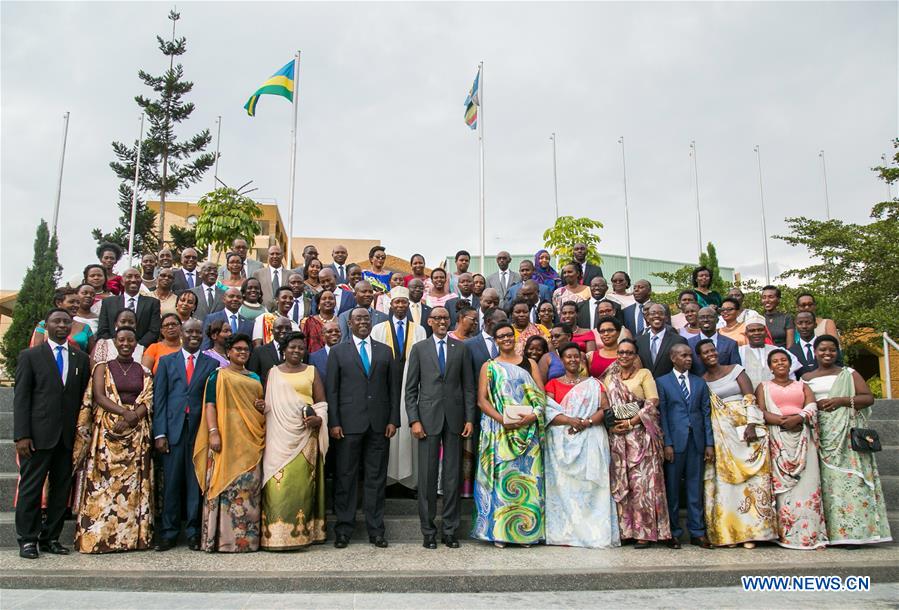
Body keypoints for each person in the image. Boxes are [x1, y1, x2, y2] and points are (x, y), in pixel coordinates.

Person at [14, 308, 91, 559]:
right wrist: (21, 435)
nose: (62, 325)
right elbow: (22, 398)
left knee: (61, 490)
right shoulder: (31, 356)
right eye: (56, 321)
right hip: (36, 436)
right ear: (46, 325)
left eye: (66, 322)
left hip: (67, 438)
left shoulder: (80, 359)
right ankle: (28, 538)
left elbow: (82, 399)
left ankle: (51, 538)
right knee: (31, 488)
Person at [803, 335, 892, 546]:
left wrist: (840, 400)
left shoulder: (848, 373)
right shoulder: (806, 377)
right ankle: (833, 533)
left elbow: (867, 398)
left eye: (832, 350)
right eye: (822, 349)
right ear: (814, 352)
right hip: (822, 434)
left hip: (846, 435)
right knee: (827, 484)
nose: (827, 353)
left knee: (852, 481)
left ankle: (858, 533)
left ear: (837, 352)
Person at [73, 326, 154, 553]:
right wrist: (123, 413)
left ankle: (130, 539)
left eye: (130, 340)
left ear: (136, 344)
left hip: (136, 437)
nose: (126, 344)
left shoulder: (144, 371)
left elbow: (147, 399)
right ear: (115, 343)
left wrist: (132, 417)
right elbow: (98, 396)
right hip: (107, 435)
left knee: (133, 489)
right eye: (121, 340)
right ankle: (99, 539)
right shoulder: (102, 368)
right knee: (102, 485)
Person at [326, 308, 399, 549]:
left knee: (376, 479)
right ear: (350, 323)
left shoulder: (385, 351)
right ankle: (344, 529)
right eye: (358, 319)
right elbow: (332, 390)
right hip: (347, 425)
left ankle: (376, 530)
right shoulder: (338, 351)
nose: (363, 322)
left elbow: (393, 390)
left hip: (379, 425)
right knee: (346, 478)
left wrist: (393, 420)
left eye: (367, 318)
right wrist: (334, 422)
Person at [405, 307, 476, 549]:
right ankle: (428, 531)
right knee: (427, 476)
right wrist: (414, 419)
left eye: (445, 318)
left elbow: (468, 387)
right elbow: (411, 388)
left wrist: (469, 418)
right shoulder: (420, 349)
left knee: (452, 475)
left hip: (455, 419)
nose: (442, 322)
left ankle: (450, 530)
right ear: (430, 322)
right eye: (437, 318)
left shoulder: (461, 349)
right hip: (427, 419)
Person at [472, 321, 545, 548]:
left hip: (528, 431)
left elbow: (541, 396)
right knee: (501, 480)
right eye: (501, 336)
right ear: (495, 340)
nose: (506, 339)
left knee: (529, 480)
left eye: (509, 335)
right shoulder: (490, 366)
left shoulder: (529, 363)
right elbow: (482, 400)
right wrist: (502, 419)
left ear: (515, 337)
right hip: (499, 431)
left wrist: (533, 416)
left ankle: (526, 533)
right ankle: (501, 532)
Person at [697, 340, 776, 548]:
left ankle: (754, 534)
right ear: (700, 358)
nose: (710, 354)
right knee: (726, 484)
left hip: (745, 430)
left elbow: (749, 397)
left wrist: (751, 423)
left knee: (752, 483)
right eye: (705, 352)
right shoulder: (702, 380)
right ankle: (731, 534)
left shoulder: (736, 370)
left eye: (712, 350)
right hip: (721, 434)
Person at [193, 334, 266, 552]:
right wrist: (213, 432)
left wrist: (261, 406)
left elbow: (257, 407)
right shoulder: (218, 376)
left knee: (247, 489)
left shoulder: (254, 377)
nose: (242, 353)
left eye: (246, 350)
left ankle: (246, 542)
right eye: (238, 349)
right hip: (225, 436)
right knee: (223, 486)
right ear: (228, 352)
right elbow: (210, 405)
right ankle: (221, 540)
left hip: (250, 439)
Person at [153, 319, 219, 552]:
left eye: (198, 332)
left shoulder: (211, 364)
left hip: (199, 430)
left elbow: (213, 400)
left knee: (195, 484)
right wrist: (159, 432)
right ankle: (169, 533)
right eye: (189, 331)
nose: (194, 335)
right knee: (171, 483)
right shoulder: (166, 362)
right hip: (173, 430)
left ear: (203, 336)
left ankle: (193, 532)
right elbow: (159, 400)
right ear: (181, 333)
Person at [543, 343, 619, 548]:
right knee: (565, 489)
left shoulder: (595, 384)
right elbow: (548, 413)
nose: (573, 360)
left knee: (589, 487)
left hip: (590, 439)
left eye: (577, 357)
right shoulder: (552, 384)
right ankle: (564, 534)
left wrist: (586, 422)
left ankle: (593, 532)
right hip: (561, 444)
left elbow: (605, 408)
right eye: (568, 357)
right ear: (562, 359)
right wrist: (570, 421)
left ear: (582, 359)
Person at [261, 331, 329, 550]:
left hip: (305, 437)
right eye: (292, 347)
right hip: (278, 435)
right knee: (276, 483)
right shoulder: (273, 373)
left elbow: (321, 403)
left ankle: (304, 535)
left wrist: (318, 419)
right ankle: (275, 536)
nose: (297, 351)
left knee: (302, 486)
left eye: (301, 347)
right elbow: (267, 402)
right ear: (284, 350)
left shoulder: (312, 371)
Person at [756, 349, 828, 550]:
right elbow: (759, 410)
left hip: (803, 438)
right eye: (775, 361)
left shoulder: (802, 385)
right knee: (783, 492)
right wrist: (781, 421)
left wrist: (799, 418)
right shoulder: (763, 387)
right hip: (778, 439)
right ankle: (786, 535)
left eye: (784, 360)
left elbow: (812, 405)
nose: (780, 364)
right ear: (770, 367)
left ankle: (811, 535)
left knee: (808, 484)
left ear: (790, 364)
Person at [602, 339, 670, 548]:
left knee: (644, 486)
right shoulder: (609, 378)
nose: (624, 356)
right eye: (621, 352)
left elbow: (652, 402)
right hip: (618, 437)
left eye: (629, 353)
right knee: (622, 484)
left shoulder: (644, 374)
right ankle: (626, 531)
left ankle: (645, 532)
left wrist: (631, 420)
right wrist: (613, 425)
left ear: (635, 356)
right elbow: (606, 407)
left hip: (640, 435)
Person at [657, 343, 714, 549]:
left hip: (696, 442)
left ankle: (697, 532)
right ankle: (673, 532)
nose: (689, 359)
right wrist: (667, 443)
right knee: (672, 489)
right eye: (684, 355)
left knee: (695, 487)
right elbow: (662, 415)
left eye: (690, 356)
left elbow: (706, 414)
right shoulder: (662, 382)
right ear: (673, 358)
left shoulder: (700, 383)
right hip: (675, 442)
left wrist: (709, 443)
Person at [370, 287, 427, 490]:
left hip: (411, 387)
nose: (400, 305)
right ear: (391, 305)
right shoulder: (378, 329)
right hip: (386, 387)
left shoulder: (419, 329)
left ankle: (411, 483)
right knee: (389, 433)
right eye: (397, 302)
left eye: (404, 302)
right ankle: (388, 481)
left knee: (409, 433)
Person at [97, 268, 162, 348]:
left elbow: (154, 330)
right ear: (122, 281)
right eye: (129, 276)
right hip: (113, 349)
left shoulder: (152, 303)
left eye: (137, 277)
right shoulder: (108, 302)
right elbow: (103, 329)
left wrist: (137, 347)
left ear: (141, 281)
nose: (133, 280)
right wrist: (116, 345)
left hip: (142, 350)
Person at [738, 314, 799, 389]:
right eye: (752, 331)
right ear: (746, 334)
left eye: (760, 330)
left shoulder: (778, 351)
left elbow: (792, 372)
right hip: (751, 397)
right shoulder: (739, 352)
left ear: (766, 332)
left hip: (777, 394)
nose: (756, 333)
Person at [31, 287, 94, 353]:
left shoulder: (85, 327)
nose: (76, 305)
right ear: (58, 303)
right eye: (71, 302)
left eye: (78, 302)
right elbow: (36, 353)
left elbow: (93, 355)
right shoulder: (44, 325)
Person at [637, 304, 687, 378]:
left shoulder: (678, 340)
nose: (657, 315)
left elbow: (684, 367)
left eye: (660, 313)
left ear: (666, 318)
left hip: (669, 386)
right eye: (653, 313)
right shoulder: (639, 341)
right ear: (647, 318)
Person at [687, 306, 741, 375]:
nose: (706, 320)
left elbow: (737, 370)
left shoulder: (730, 344)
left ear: (717, 320)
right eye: (702, 317)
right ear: (697, 320)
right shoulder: (688, 343)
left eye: (710, 317)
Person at [789, 311, 841, 378]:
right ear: (795, 326)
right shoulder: (791, 352)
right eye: (800, 323)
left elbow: (839, 367)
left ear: (815, 325)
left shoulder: (829, 347)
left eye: (808, 323)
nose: (804, 326)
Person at [247, 316, 294, 388]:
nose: (284, 330)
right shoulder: (259, 352)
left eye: (288, 328)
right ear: (272, 331)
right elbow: (252, 378)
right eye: (279, 327)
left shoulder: (299, 352)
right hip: (267, 396)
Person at [303, 290, 338, 354]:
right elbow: (304, 344)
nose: (327, 300)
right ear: (318, 304)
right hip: (315, 360)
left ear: (335, 303)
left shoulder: (341, 321)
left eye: (331, 298)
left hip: (338, 359)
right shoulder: (310, 322)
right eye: (324, 299)